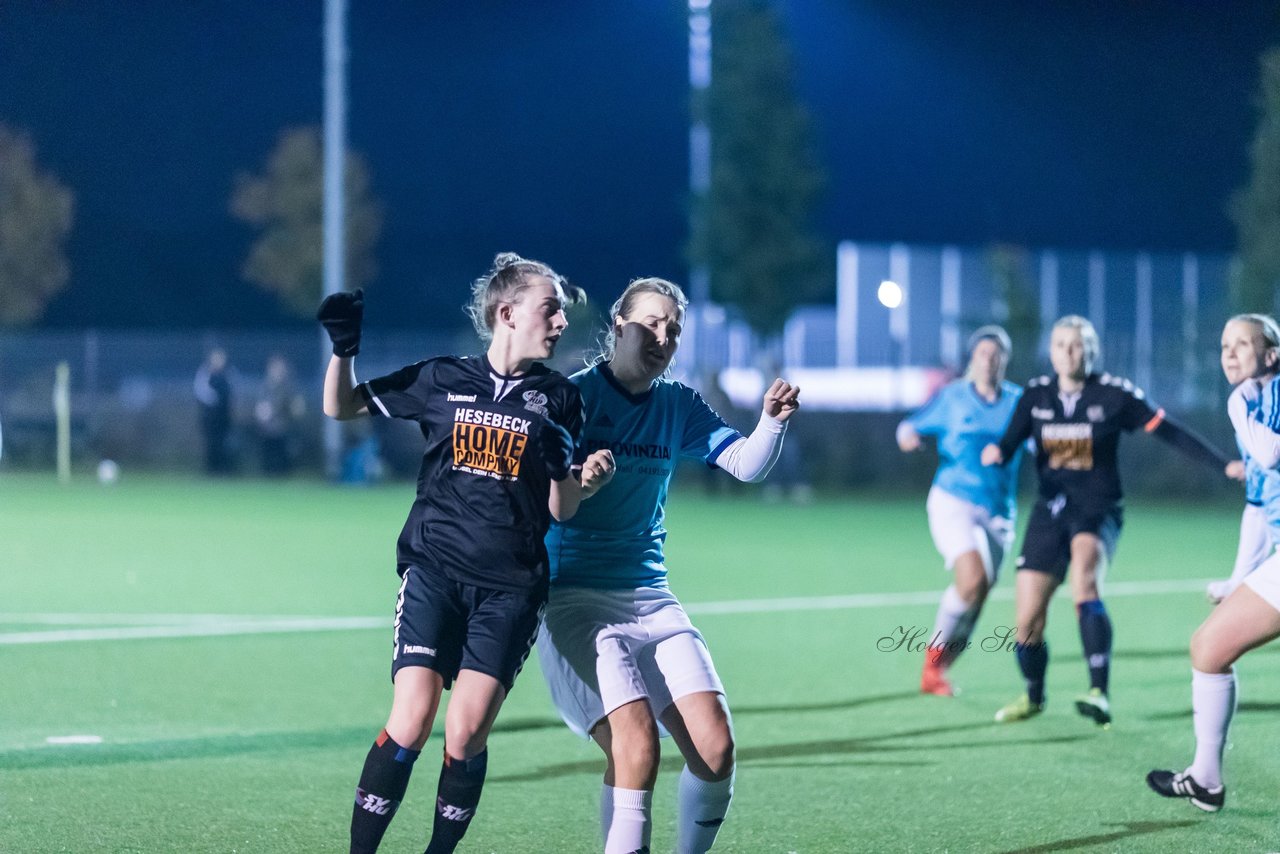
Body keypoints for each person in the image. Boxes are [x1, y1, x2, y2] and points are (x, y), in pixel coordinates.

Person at [320, 253, 611, 854]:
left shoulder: (559, 398)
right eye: (549, 308)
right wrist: (344, 349)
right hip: (435, 570)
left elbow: (561, 509)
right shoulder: (442, 378)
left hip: (509, 587)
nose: (560, 322)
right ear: (507, 313)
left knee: (466, 730)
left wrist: (573, 476)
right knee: (412, 717)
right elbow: (340, 406)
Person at [536, 277, 800, 854]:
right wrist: (581, 481)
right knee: (637, 751)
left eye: (673, 329)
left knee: (715, 750)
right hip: (574, 599)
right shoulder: (570, 398)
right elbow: (537, 498)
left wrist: (771, 423)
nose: (663, 336)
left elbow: (744, 464)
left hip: (651, 597)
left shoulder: (677, 404)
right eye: (651, 323)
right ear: (618, 325)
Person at [981, 315, 1235, 727]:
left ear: (1092, 352)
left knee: (1085, 579)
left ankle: (1099, 692)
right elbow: (1010, 441)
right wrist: (997, 452)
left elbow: (1167, 430)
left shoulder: (1114, 395)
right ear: (1051, 351)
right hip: (1050, 511)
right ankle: (1033, 696)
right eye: (1061, 344)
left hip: (1097, 507)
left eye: (1077, 345)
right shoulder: (1035, 396)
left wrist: (1221, 465)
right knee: (1027, 622)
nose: (1068, 352)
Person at [1147, 313, 1280, 812]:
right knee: (1208, 647)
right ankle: (1205, 779)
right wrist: (1239, 579)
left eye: (1242, 344)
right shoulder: (1258, 399)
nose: (1228, 353)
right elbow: (1262, 505)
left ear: (1271, 354)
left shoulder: (1260, 399)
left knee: (1208, 647)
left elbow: (1267, 456)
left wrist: (1235, 405)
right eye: (1224, 344)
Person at [896, 325, 1023, 697]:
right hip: (953, 500)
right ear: (972, 359)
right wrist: (908, 436)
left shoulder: (1018, 401)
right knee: (971, 580)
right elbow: (910, 424)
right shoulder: (953, 397)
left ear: (1005, 361)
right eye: (982, 354)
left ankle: (942, 667)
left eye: (996, 354)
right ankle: (932, 665)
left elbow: (1041, 446)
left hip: (1000, 510)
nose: (988, 360)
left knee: (980, 593)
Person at [254, 353, 305, 476]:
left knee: (283, 461)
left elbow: (297, 408)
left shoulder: (290, 388)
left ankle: (283, 474)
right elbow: (260, 408)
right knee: (268, 460)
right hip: (267, 430)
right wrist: (263, 414)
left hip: (284, 430)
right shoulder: (264, 387)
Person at [194, 347, 235, 474]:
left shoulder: (229, 374)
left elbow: (233, 392)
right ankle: (211, 470)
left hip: (224, 416)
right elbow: (200, 392)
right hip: (209, 417)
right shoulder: (205, 373)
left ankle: (223, 469)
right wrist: (215, 400)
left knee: (223, 443)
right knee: (211, 443)